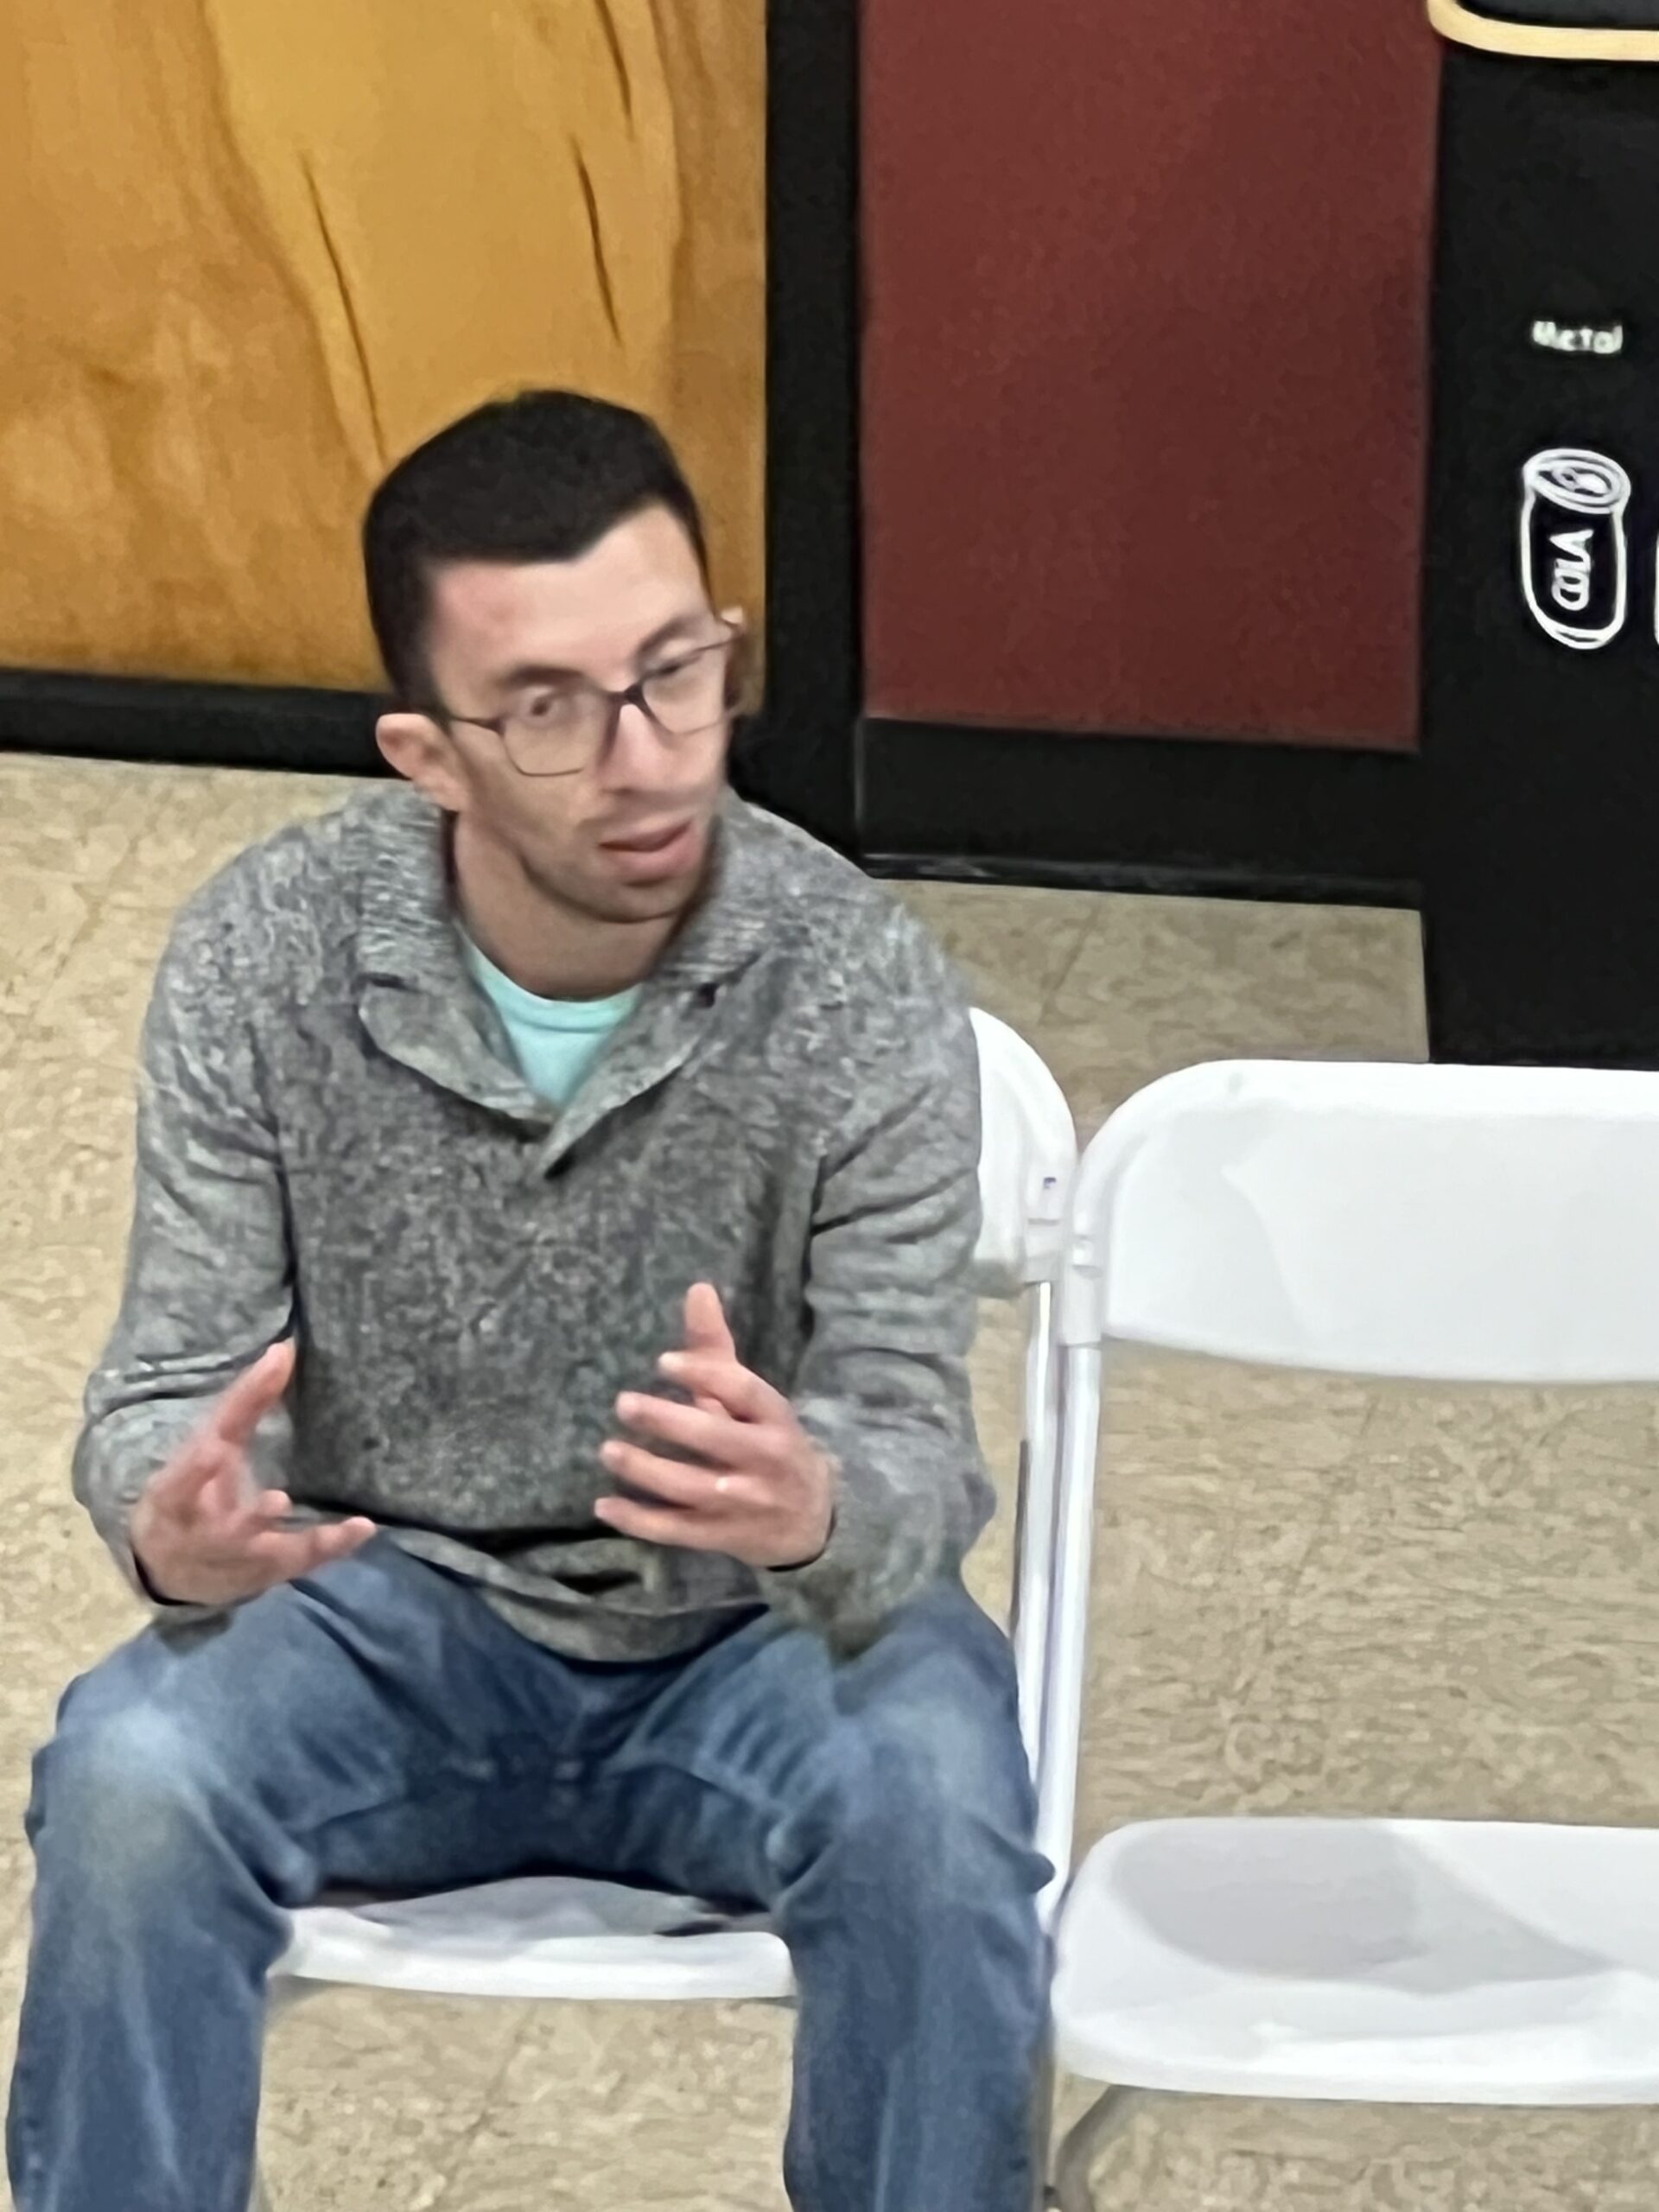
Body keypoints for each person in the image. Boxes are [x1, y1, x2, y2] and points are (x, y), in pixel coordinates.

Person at [5, 391, 1051, 2212]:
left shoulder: (858, 979)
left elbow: (911, 1453)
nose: (646, 761)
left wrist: (815, 1498)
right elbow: (165, 1393)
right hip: (377, 1610)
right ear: (428, 752)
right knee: (131, 1775)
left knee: (938, 1794)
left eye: (678, 673)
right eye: (551, 710)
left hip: (753, 1637)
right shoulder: (266, 957)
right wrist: (177, 1526)